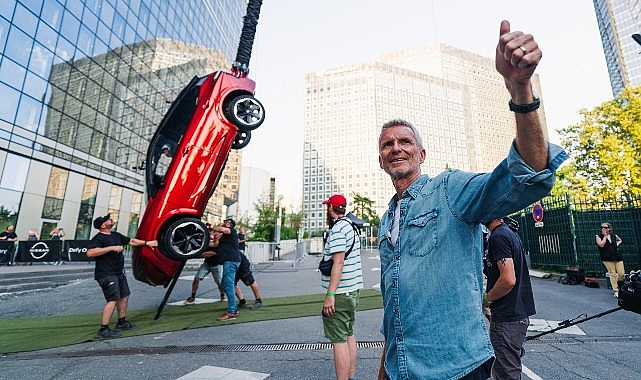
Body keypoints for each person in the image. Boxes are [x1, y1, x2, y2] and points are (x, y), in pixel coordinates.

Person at [376, 20, 568, 380]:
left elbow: (530, 176)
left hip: (459, 369)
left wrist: (520, 88)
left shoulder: (450, 190)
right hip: (402, 371)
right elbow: (394, 307)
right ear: (381, 159)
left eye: (405, 142)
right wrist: (385, 370)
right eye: (388, 144)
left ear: (422, 154)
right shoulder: (386, 221)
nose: (396, 148)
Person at [86, 214, 158, 339]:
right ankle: (104, 329)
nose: (111, 220)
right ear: (103, 225)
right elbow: (90, 252)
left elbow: (131, 241)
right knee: (112, 299)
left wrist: (147, 243)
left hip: (118, 272)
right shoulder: (98, 238)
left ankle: (122, 322)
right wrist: (111, 248)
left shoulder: (116, 235)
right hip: (106, 274)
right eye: (107, 219)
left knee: (124, 296)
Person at [483, 218, 535, 380]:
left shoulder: (498, 237)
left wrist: (487, 299)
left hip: (507, 318)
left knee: (506, 374)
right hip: (516, 315)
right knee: (508, 370)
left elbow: (508, 279)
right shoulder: (509, 233)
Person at [320, 194, 363, 380]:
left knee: (338, 340)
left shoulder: (338, 230)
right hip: (352, 290)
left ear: (331, 209)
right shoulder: (352, 227)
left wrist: (330, 294)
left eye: (327, 207)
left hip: (340, 293)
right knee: (348, 334)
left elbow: (338, 263)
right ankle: (350, 376)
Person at [211, 218, 241, 321]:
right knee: (225, 285)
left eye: (225, 222)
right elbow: (215, 244)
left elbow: (223, 229)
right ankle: (234, 309)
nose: (224, 223)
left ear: (229, 224)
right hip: (229, 262)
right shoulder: (225, 236)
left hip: (231, 261)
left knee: (228, 286)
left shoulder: (231, 231)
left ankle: (231, 312)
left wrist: (213, 227)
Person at [185, 230, 226, 304]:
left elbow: (207, 254)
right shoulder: (207, 242)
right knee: (197, 278)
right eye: (211, 232)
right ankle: (192, 296)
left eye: (214, 233)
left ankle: (222, 294)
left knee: (219, 282)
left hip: (216, 265)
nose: (212, 234)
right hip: (207, 264)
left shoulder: (219, 244)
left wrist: (192, 255)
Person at [595, 222, 624, 298]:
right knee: (612, 274)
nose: (603, 229)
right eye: (602, 227)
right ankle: (616, 290)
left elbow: (620, 240)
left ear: (609, 229)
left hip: (617, 256)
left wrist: (616, 245)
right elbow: (601, 245)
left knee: (621, 274)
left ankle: (616, 285)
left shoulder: (614, 236)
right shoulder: (598, 236)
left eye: (605, 227)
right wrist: (604, 236)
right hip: (607, 257)